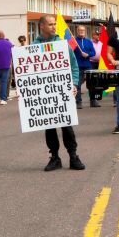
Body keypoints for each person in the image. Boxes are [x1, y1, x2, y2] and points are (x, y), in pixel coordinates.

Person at [34, 15, 85, 170]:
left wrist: (75, 84)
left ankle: (73, 156)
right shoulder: (33, 47)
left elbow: (74, 66)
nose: (54, 26)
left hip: (63, 90)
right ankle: (55, 157)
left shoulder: (62, 44)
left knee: (66, 125)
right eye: (50, 24)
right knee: (49, 126)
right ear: (42, 26)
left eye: (55, 24)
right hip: (45, 93)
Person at [73, 25, 99, 109]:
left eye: (83, 30)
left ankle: (93, 100)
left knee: (92, 84)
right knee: (78, 85)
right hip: (78, 66)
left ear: (85, 31)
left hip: (88, 65)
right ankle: (78, 102)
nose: (81, 32)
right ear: (77, 31)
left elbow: (93, 52)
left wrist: (87, 55)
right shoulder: (74, 41)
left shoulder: (88, 41)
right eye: (80, 30)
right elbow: (70, 52)